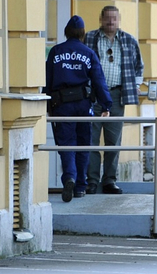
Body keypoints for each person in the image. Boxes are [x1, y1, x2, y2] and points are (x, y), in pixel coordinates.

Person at [46, 16, 113, 202]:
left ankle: (69, 177)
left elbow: (47, 80)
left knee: (66, 144)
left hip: (61, 105)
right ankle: (80, 187)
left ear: (66, 32)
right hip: (83, 104)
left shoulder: (55, 51)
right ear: (83, 33)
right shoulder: (89, 53)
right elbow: (99, 81)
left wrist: (47, 104)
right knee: (84, 145)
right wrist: (106, 104)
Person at [84, 6, 144, 195]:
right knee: (91, 141)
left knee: (113, 141)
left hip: (117, 95)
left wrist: (136, 85)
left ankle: (109, 181)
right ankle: (91, 181)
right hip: (93, 94)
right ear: (101, 19)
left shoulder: (128, 40)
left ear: (119, 20)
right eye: (107, 18)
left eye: (114, 18)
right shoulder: (90, 38)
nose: (111, 22)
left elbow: (139, 67)